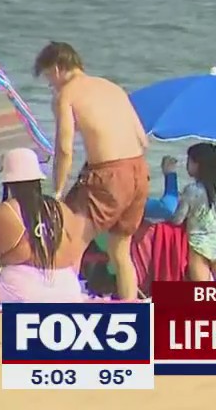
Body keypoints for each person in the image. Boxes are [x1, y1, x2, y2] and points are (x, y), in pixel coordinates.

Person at [35, 41, 150, 301]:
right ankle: (131, 309)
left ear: (56, 68)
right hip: (139, 172)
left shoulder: (66, 95)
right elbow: (142, 139)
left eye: (48, 79)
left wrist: (57, 190)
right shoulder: (113, 88)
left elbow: (64, 148)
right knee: (120, 251)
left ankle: (66, 305)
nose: (51, 85)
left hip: (109, 175)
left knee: (71, 240)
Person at [0, 148, 89, 305]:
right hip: (67, 287)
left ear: (7, 182)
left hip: (22, 287)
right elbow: (75, 255)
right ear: (38, 180)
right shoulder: (62, 209)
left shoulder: (0, 213)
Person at [170, 143, 216, 281]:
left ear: (197, 165)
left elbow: (177, 219)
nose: (187, 164)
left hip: (198, 247)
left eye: (189, 160)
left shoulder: (191, 190)